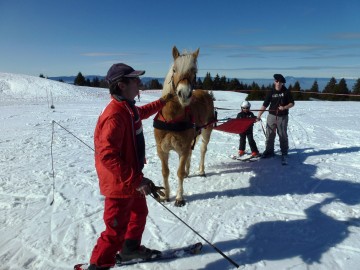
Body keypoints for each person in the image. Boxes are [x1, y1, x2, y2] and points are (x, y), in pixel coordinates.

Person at [87, 63, 171, 270]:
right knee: (114, 231)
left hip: (131, 180)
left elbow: (140, 113)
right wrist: (136, 180)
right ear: (122, 85)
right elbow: (107, 155)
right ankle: (98, 265)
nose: (139, 83)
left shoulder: (127, 108)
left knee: (138, 214)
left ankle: (130, 250)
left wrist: (163, 101)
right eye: (135, 80)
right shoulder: (114, 115)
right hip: (119, 184)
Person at [257, 74, 294, 158]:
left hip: (283, 116)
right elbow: (265, 105)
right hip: (271, 116)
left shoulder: (286, 92)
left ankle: (284, 152)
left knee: (282, 134)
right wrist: (258, 115)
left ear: (282, 83)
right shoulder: (271, 92)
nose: (278, 83)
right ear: (274, 81)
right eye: (276, 81)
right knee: (269, 134)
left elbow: (292, 103)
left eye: (280, 82)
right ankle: (269, 151)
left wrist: (284, 107)